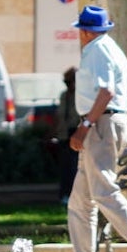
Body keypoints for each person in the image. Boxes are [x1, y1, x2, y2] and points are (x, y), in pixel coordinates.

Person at [55, 5, 127, 252]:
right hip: (107, 121)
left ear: (84, 31)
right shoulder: (111, 48)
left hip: (101, 122)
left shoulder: (96, 50)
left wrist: (86, 125)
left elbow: (106, 91)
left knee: (103, 189)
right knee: (81, 197)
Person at [54, 66, 80, 205]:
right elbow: (59, 117)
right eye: (66, 82)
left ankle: (74, 195)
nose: (69, 85)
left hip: (77, 133)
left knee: (75, 167)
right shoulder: (64, 96)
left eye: (70, 81)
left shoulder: (81, 96)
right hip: (64, 135)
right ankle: (64, 194)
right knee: (65, 167)